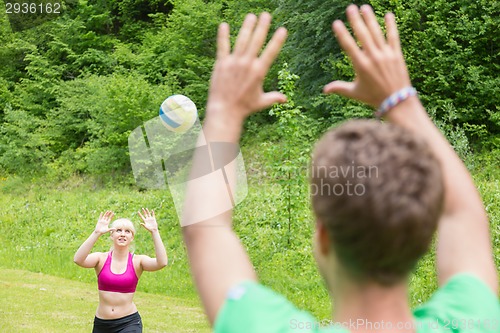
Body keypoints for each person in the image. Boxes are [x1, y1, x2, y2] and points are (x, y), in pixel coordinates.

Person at [181, 4, 499, 333]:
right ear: (425, 235)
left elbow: (204, 228)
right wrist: (400, 100)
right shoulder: (473, 321)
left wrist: (224, 110)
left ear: (323, 235)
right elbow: (464, 215)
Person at [74, 208, 168, 333]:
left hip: (129, 323)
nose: (123, 234)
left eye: (127, 231)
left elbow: (162, 262)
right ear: (111, 235)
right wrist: (96, 232)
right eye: (118, 230)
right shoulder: (100, 259)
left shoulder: (137, 261)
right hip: (102, 324)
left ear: (132, 237)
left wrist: (154, 231)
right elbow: (78, 260)